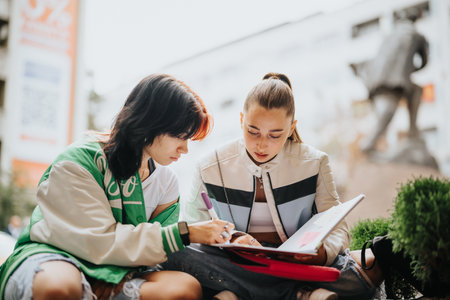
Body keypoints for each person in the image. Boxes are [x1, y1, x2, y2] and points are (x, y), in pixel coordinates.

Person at [0, 74, 235, 300]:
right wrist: (187, 232)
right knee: (59, 288)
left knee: (183, 289)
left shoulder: (167, 182)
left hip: (121, 267)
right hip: (58, 254)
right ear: (151, 122)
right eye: (180, 136)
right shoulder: (80, 161)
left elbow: (157, 253)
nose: (185, 149)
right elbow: (94, 240)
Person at [162, 73, 383, 300]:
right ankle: (299, 295)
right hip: (236, 263)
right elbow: (194, 229)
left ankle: (237, 294)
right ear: (241, 120)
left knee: (356, 275)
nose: (262, 144)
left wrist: (322, 254)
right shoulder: (208, 167)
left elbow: (338, 227)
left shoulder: (315, 163)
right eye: (253, 131)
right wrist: (233, 238)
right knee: (177, 251)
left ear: (291, 128)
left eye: (275, 135)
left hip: (296, 268)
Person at [351, 8, 429, 153]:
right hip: (393, 83)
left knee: (413, 92)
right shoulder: (416, 36)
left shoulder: (389, 35)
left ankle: (411, 132)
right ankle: (370, 144)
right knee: (388, 112)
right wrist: (411, 70)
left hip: (374, 82)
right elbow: (425, 62)